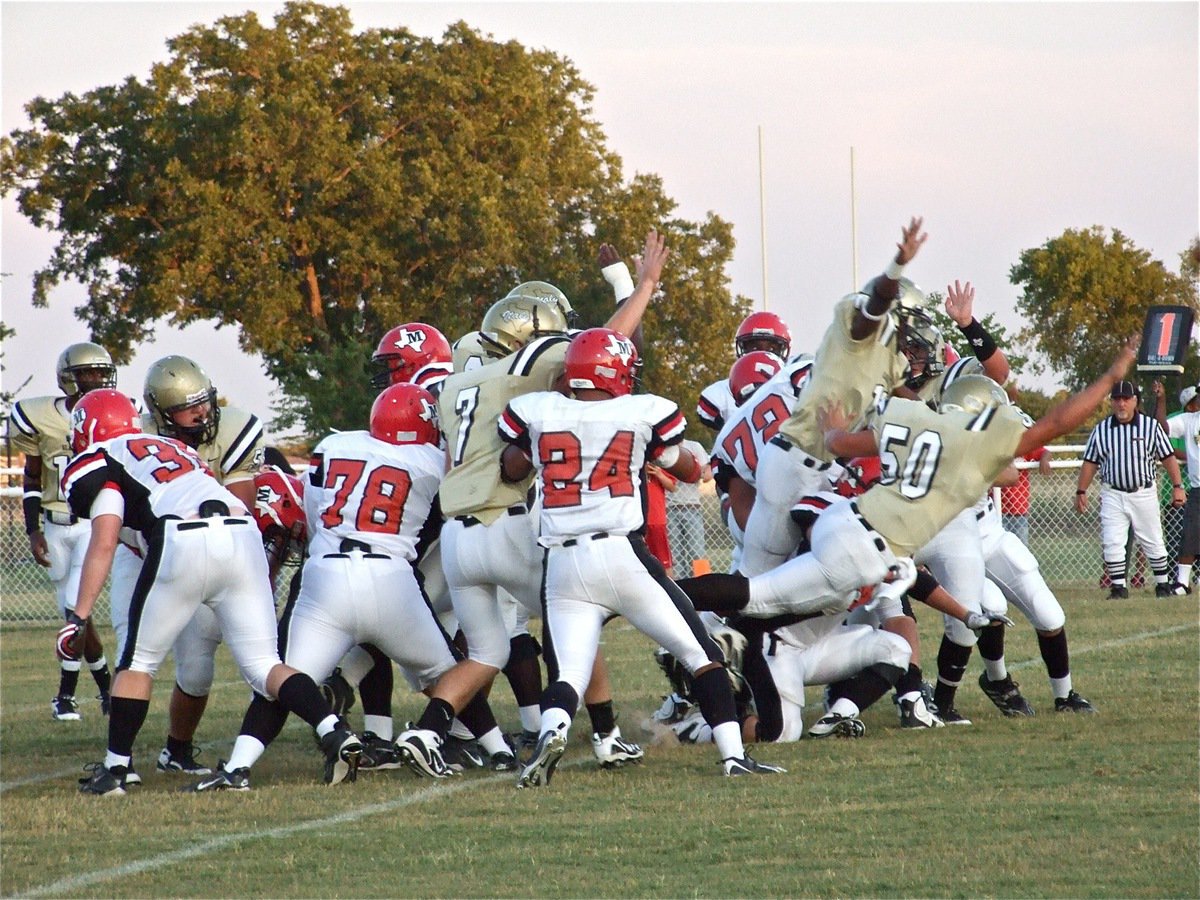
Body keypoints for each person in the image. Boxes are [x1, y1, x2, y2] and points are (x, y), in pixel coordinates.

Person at [397, 231, 669, 778]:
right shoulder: (535, 363)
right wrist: (642, 287)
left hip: (458, 538)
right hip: (509, 521)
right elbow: (605, 348)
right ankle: (607, 736)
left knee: (486, 652)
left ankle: (426, 731)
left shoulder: (458, 379)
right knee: (579, 615)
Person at [189, 384, 514, 790]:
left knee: (285, 682)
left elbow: (314, 513)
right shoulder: (431, 460)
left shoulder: (333, 446)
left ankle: (238, 767)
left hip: (328, 579)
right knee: (445, 673)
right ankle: (499, 750)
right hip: (390, 579)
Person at [500, 328, 785, 782]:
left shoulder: (538, 411)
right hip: (620, 553)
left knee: (569, 674)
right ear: (613, 372)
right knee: (701, 654)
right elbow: (688, 469)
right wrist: (679, 461)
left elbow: (511, 466)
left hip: (563, 563)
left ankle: (552, 731)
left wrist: (541, 450)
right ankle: (733, 757)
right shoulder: (642, 412)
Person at [60, 390, 360, 795]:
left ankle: (115, 770)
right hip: (241, 532)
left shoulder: (101, 456)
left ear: (89, 428)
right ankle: (334, 731)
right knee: (263, 665)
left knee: (139, 662)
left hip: (183, 539)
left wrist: (78, 614)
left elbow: (105, 538)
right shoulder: (173, 446)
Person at [738, 217, 927, 577]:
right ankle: (711, 628)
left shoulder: (890, 359)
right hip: (793, 464)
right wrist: (898, 264)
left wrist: (956, 426)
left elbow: (913, 409)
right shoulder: (858, 326)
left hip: (823, 470)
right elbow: (875, 307)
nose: (913, 332)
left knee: (831, 574)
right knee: (759, 578)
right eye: (908, 321)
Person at [107, 355, 267, 778]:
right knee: (133, 653)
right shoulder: (131, 435)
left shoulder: (234, 428)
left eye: (205, 401)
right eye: (187, 407)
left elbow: (244, 506)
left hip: (200, 550)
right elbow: (114, 512)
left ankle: (176, 749)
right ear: (160, 414)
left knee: (196, 669)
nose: (202, 413)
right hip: (140, 550)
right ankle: (117, 756)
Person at [9, 342, 118, 723]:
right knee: (73, 615)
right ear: (67, 378)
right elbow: (34, 475)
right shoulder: (41, 416)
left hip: (92, 523)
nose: (94, 381)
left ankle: (66, 696)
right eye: (86, 373)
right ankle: (106, 686)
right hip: (55, 525)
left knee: (76, 610)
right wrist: (32, 529)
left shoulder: (116, 414)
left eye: (100, 373)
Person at [1074, 380, 1186, 598]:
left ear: (1135, 401)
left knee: (1152, 538)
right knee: (1112, 539)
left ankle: (1162, 584)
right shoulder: (1102, 429)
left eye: (1126, 399)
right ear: (1112, 402)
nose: (1121, 404)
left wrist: (1177, 486)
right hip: (1113, 492)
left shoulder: (1150, 427)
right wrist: (1081, 490)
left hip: (1142, 491)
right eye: (1117, 399)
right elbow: (1090, 462)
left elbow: (1167, 457)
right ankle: (1118, 587)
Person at [695, 311, 792, 434]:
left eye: (772, 348)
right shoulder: (720, 393)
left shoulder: (793, 388)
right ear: (743, 348)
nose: (762, 354)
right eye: (754, 348)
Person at [1156, 380, 1200, 593]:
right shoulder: (1190, 420)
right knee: (1190, 534)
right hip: (1198, 488)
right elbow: (1163, 428)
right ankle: (1182, 583)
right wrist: (1161, 399)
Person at [666, 438, 713, 576]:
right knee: (675, 555)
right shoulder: (665, 449)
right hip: (669, 507)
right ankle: (682, 588)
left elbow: (707, 474)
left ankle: (704, 585)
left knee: (697, 552)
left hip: (691, 505)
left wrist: (691, 472)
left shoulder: (693, 446)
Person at [1000, 447, 1052, 545]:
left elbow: (1045, 452)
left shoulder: (1023, 445)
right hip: (997, 509)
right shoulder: (997, 445)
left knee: (1021, 547)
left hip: (1019, 510)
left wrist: (1044, 459)